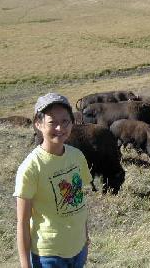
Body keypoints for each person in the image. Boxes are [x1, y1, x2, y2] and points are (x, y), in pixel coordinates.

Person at [14, 93, 92, 268]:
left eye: (65, 121)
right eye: (52, 122)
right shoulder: (31, 168)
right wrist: (25, 265)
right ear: (38, 124)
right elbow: (23, 222)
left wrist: (85, 238)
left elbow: (81, 201)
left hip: (78, 248)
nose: (59, 128)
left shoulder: (76, 156)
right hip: (49, 255)